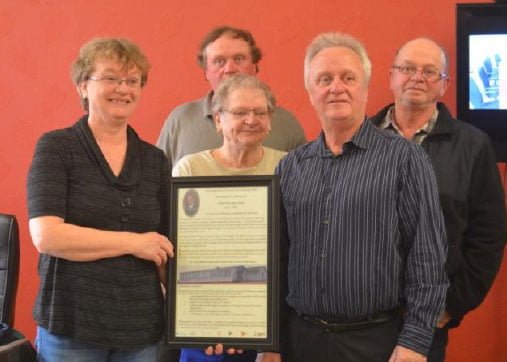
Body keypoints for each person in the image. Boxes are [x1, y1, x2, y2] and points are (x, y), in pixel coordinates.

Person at [276, 32, 448, 362]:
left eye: (348, 78)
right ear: (310, 92)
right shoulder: (291, 167)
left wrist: (414, 341)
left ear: (365, 89)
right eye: (324, 79)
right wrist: (270, 341)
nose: (336, 87)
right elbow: (279, 262)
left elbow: (426, 257)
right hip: (301, 342)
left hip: (376, 344)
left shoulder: (404, 159)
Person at [27, 38, 174, 361]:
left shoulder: (155, 160)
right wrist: (133, 243)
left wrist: (207, 320)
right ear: (83, 85)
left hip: (141, 329)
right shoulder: (56, 148)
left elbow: (166, 248)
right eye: (110, 78)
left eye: (132, 81)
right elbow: (48, 236)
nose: (123, 89)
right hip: (72, 325)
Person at [370, 37, 506, 362]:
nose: (417, 77)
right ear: (391, 77)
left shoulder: (473, 146)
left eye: (430, 71)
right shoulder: (362, 138)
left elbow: (488, 236)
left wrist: (450, 306)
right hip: (359, 320)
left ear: (444, 85)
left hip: (425, 323)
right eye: (408, 68)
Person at [173, 73, 286, 362]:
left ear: (270, 119)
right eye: (239, 112)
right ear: (218, 119)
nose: (251, 119)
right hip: (205, 323)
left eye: (260, 112)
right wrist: (205, 326)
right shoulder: (189, 170)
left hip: (270, 327)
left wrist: (273, 338)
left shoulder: (287, 167)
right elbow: (181, 253)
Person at [156, 25, 306, 168]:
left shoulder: (287, 124)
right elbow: (158, 182)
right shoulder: (180, 121)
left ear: (255, 66)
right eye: (219, 61)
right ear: (206, 71)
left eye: (239, 59)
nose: (229, 69)